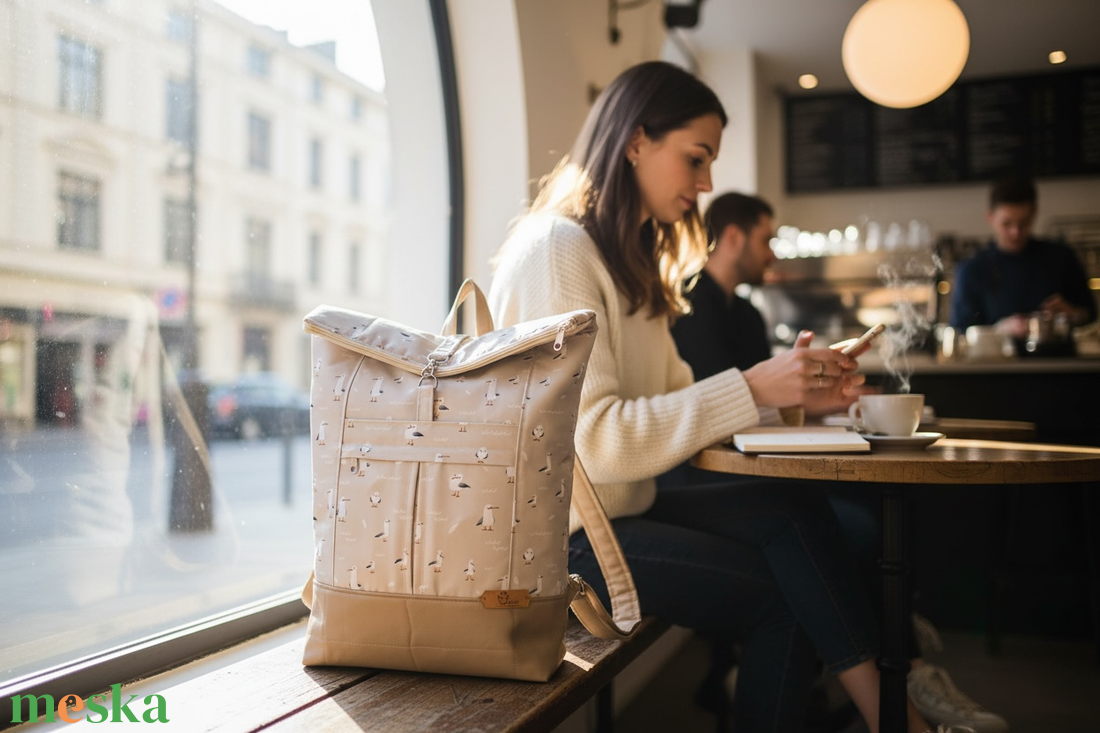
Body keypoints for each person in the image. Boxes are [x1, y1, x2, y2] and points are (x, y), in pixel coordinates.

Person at [487, 60, 944, 733]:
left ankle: (889, 712)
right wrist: (756, 385)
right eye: (696, 158)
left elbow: (682, 400)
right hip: (558, 542)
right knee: (782, 599)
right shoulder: (558, 250)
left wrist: (795, 392)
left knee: (792, 506)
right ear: (635, 140)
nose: (706, 184)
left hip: (618, 510)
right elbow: (598, 441)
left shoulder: (630, 263)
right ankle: (894, 713)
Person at [671, 191, 1009, 733]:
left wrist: (814, 398)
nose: (772, 254)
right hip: (708, 481)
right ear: (732, 236)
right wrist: (788, 395)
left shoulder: (748, 313)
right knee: (844, 523)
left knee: (867, 505)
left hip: (749, 471)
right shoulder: (688, 306)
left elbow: (758, 405)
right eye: (765, 239)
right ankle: (895, 668)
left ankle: (892, 663)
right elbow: (715, 408)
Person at [949, 174, 1096, 353]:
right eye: (1007, 224)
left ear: (1034, 213)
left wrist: (1071, 313)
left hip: (1057, 365)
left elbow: (1090, 316)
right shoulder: (971, 270)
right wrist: (999, 330)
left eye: (1023, 223)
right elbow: (961, 333)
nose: (1015, 232)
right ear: (990, 217)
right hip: (996, 372)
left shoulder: (1061, 258)